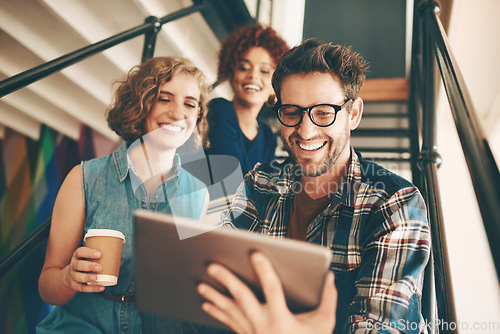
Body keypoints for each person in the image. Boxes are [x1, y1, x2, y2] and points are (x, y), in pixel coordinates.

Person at [197, 39, 431, 333]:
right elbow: (219, 284)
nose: (305, 131)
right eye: (292, 112)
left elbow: (378, 327)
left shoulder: (395, 203)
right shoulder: (260, 183)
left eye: (323, 112)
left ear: (354, 114)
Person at [37, 57, 214, 333]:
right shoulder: (85, 178)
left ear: (197, 116)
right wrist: (68, 278)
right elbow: (48, 287)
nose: (179, 113)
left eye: (190, 103)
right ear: (140, 104)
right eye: (164, 99)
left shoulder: (200, 195)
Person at [206, 23, 289, 175]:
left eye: (264, 71)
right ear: (231, 76)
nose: (253, 75)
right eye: (244, 67)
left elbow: (268, 189)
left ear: (276, 85)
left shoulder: (268, 136)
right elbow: (233, 180)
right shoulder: (219, 109)